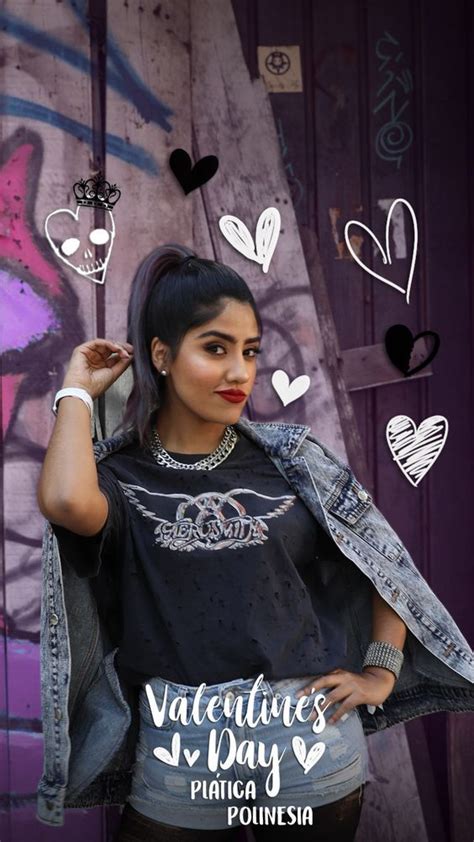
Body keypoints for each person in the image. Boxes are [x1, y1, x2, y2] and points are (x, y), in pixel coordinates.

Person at [36, 245, 474, 840]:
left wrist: (382, 669)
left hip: (307, 742)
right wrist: (77, 391)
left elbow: (383, 563)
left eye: (250, 351)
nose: (240, 372)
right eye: (216, 348)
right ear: (161, 355)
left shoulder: (290, 462)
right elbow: (63, 502)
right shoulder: (119, 476)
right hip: (182, 750)